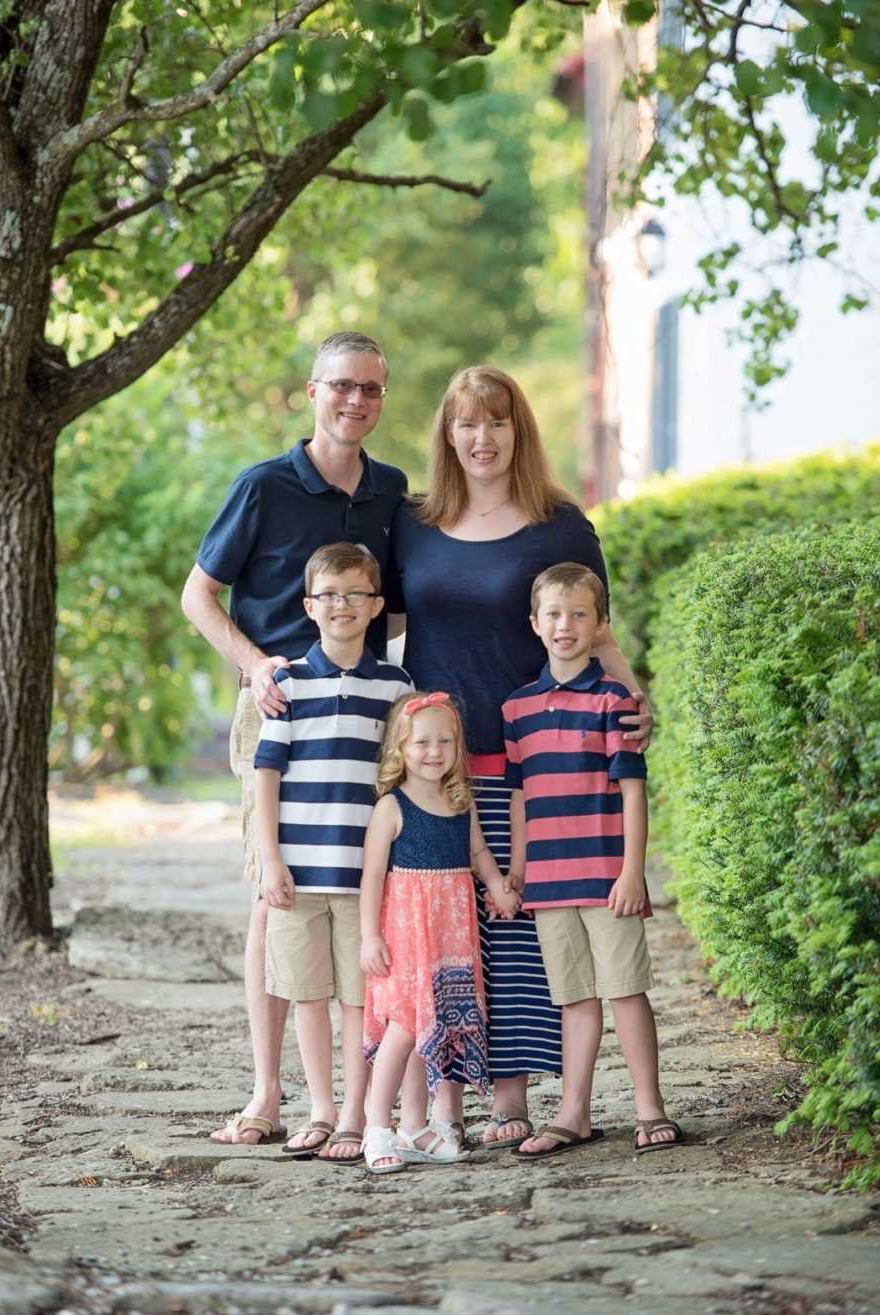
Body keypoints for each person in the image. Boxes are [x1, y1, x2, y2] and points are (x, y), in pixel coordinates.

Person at [386, 365, 654, 1148]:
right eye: (466, 424)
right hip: (435, 764)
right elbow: (371, 607)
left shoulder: (559, 524)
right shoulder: (414, 522)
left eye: (496, 423)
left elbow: (596, 634)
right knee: (440, 936)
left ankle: (509, 1100)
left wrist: (637, 709)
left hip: (532, 763)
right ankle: (440, 1106)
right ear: (447, 434)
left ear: (518, 431)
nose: (481, 438)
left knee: (510, 940)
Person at [180, 332, 406, 1150]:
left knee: (356, 895)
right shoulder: (265, 486)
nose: (356, 401)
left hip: (360, 711)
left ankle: (356, 1102)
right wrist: (254, 666)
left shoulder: (391, 491)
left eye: (372, 390)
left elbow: (400, 605)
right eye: (342, 385)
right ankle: (268, 1091)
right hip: (279, 704)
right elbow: (198, 595)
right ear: (312, 391)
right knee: (272, 894)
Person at [504, 563, 682, 1158]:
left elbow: (633, 790)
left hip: (608, 879)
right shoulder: (517, 710)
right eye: (554, 614)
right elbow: (521, 796)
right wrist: (520, 872)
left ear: (601, 624)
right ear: (534, 624)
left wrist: (633, 871)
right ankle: (573, 1112)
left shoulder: (614, 701)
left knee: (626, 991)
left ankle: (649, 1107)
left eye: (580, 614)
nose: (566, 625)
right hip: (550, 885)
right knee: (575, 999)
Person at [254, 542, 412, 1163]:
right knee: (306, 994)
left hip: (363, 877)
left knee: (359, 999)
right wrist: (270, 859)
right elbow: (267, 776)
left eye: (354, 594)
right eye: (328, 595)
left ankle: (354, 1113)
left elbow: (399, 773)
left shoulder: (395, 685)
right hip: (298, 871)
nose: (341, 605)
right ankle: (320, 1109)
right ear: (309, 607)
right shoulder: (288, 683)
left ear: (376, 606)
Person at [359, 692, 520, 1173]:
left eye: (445, 741)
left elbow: (477, 855)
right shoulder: (392, 805)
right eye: (422, 742)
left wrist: (498, 885)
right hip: (408, 935)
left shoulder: (459, 798)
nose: (434, 751)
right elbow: (370, 877)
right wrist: (369, 936)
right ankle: (376, 1127)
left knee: (428, 1028)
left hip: (451, 935)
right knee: (404, 1028)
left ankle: (415, 1127)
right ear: (400, 749)